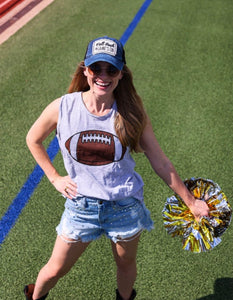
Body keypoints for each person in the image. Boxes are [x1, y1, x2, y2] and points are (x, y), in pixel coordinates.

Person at [24, 36, 209, 300]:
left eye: (111, 69)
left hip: (125, 205)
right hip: (81, 206)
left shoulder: (132, 113)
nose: (103, 76)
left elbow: (161, 161)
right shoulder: (63, 107)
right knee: (54, 270)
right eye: (96, 68)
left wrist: (190, 202)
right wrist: (54, 178)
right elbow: (33, 139)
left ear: (121, 73)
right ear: (85, 70)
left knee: (125, 265)